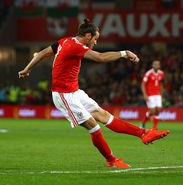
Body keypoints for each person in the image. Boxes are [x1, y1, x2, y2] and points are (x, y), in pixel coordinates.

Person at [18, 19, 170, 168]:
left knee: (103, 115)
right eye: (95, 39)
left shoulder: (64, 41)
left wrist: (27, 68)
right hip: (63, 95)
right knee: (93, 125)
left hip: (75, 91)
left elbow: (43, 53)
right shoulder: (75, 46)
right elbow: (100, 57)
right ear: (88, 36)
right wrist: (125, 53)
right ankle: (111, 160)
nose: (96, 42)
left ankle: (144, 133)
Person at [141, 60, 164, 129]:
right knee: (152, 111)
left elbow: (161, 84)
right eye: (155, 64)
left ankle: (154, 128)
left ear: (159, 66)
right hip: (150, 94)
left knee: (158, 110)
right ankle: (143, 122)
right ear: (152, 65)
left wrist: (161, 95)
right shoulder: (148, 73)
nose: (156, 66)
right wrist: (145, 95)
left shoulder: (161, 73)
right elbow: (142, 84)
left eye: (158, 64)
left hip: (158, 94)